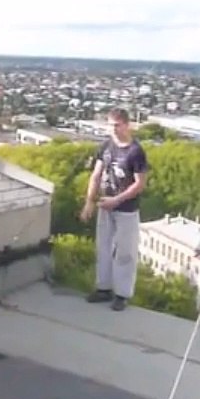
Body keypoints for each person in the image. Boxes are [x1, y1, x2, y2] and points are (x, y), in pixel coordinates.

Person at [79, 108, 149, 311]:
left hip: (126, 209)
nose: (113, 129)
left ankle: (122, 294)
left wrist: (117, 200)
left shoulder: (136, 151)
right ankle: (103, 288)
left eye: (117, 125)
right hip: (105, 205)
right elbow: (96, 174)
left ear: (127, 125)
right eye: (110, 125)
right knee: (104, 247)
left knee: (125, 252)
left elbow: (139, 184)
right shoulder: (107, 146)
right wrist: (89, 202)